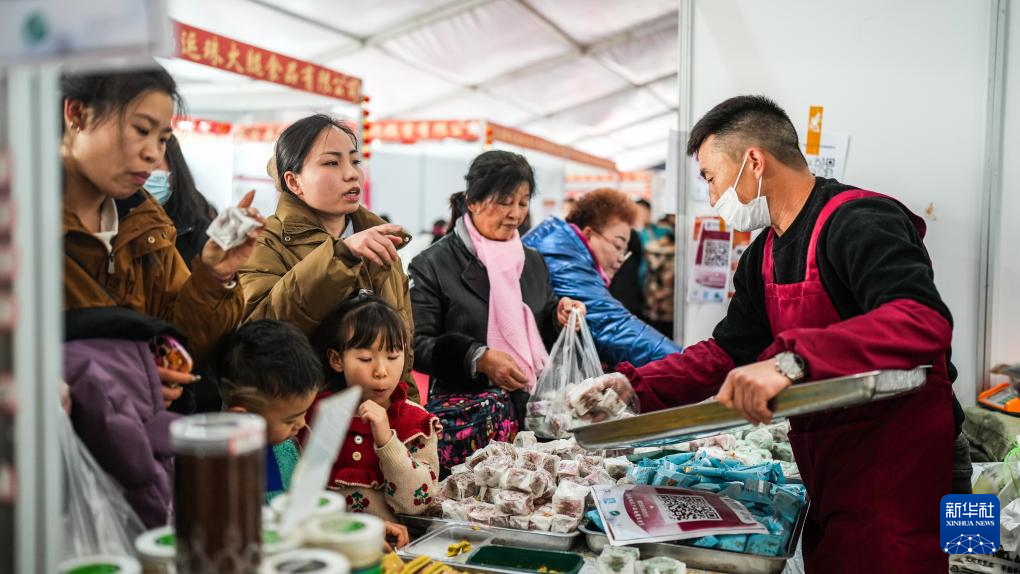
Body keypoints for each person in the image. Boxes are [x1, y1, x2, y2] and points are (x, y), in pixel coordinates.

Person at [599, 96, 962, 573]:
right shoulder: (761, 256)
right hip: (829, 464)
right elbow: (728, 351)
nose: (710, 198)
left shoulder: (860, 219)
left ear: (753, 160)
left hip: (904, 463)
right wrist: (635, 387)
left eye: (710, 177)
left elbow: (921, 319)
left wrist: (791, 363)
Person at [61, 62, 261, 407]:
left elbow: (183, 348)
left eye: (163, 138)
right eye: (141, 130)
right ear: (76, 114)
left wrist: (215, 275)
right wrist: (126, 375)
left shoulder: (149, 227)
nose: (154, 154)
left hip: (140, 450)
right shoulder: (19, 227)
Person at [409, 151, 583, 468]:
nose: (515, 213)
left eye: (522, 201)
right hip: (468, 426)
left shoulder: (531, 261)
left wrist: (559, 314)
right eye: (504, 201)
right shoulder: (432, 264)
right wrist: (478, 357)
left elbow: (540, 320)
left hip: (531, 422)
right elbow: (416, 344)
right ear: (473, 201)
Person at [239, 114, 418, 402]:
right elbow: (257, 332)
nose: (352, 174)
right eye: (332, 163)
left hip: (377, 429)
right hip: (296, 425)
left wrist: (407, 418)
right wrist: (340, 256)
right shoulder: (263, 240)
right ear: (294, 182)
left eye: (355, 161)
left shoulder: (381, 243)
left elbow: (403, 349)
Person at [310, 293, 440, 523]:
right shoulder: (313, 417)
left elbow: (416, 503)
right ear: (337, 360)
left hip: (393, 549)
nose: (381, 370)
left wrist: (387, 441)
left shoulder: (416, 422)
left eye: (392, 356)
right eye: (366, 359)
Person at [524, 189, 681, 368]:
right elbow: (612, 326)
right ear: (589, 234)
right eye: (618, 245)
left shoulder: (560, 246)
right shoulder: (562, 258)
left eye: (625, 250)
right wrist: (686, 363)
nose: (621, 257)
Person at [216, 319, 321, 503]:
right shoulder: (222, 471)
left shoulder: (288, 449)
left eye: (304, 412)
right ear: (243, 419)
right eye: (290, 420)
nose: (302, 423)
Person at [144, 135, 217, 269]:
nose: (144, 174)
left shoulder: (197, 224)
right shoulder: (117, 218)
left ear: (174, 170)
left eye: (153, 165)